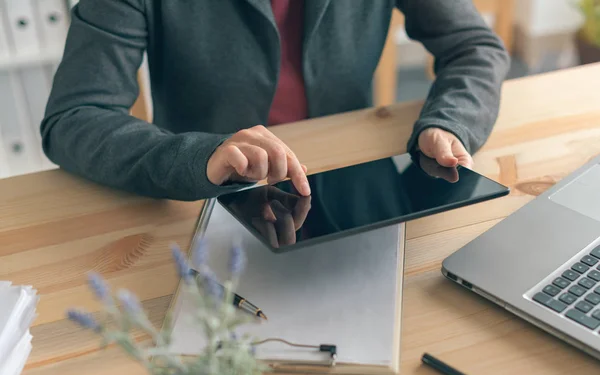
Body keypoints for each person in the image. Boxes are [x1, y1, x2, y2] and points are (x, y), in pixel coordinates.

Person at [41, 0, 510, 201]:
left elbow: (476, 47)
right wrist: (197, 155)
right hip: (199, 199)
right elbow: (74, 116)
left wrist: (449, 122)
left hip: (349, 184)